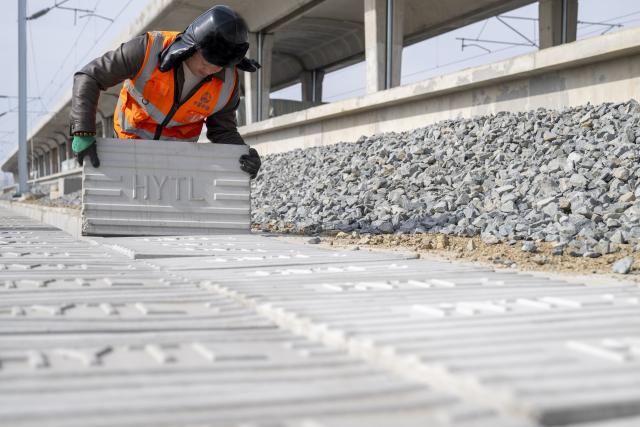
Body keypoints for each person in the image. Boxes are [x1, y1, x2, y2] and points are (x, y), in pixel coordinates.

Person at [69, 5, 262, 178]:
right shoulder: (147, 50)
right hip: (128, 148)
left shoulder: (229, 82)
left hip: (178, 158)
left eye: (218, 66)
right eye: (205, 62)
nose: (210, 70)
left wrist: (241, 154)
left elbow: (223, 131)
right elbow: (89, 76)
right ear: (191, 47)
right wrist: (83, 132)